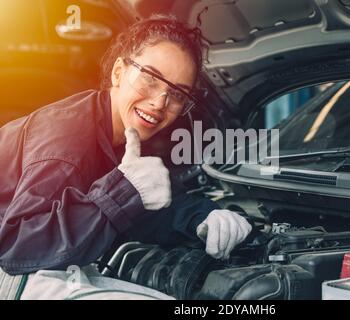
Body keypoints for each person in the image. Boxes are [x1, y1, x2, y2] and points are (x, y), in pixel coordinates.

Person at [0, 14, 252, 299]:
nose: (160, 103)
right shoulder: (67, 136)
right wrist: (120, 193)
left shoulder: (121, 139)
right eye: (150, 78)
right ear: (118, 71)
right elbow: (17, 246)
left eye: (178, 94)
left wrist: (205, 217)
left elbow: (154, 207)